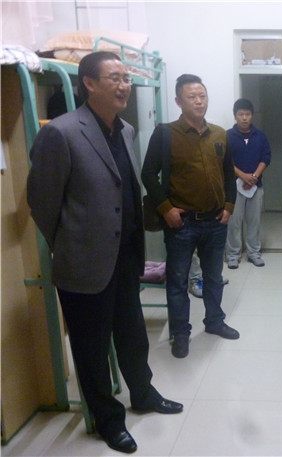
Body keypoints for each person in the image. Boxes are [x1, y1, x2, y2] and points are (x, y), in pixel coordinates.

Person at [27, 51, 183, 455]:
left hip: (125, 257)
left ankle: (143, 394)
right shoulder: (61, 133)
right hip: (83, 263)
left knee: (132, 336)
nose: (124, 85)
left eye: (127, 78)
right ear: (89, 84)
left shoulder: (125, 130)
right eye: (114, 77)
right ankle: (108, 421)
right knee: (91, 348)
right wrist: (70, 243)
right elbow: (41, 202)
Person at [142, 74, 239, 360]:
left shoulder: (220, 134)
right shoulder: (165, 134)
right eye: (192, 97)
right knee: (178, 281)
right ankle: (180, 334)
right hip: (181, 223)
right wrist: (166, 209)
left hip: (215, 221)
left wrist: (229, 206)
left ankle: (215, 321)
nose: (199, 101)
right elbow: (148, 174)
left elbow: (228, 173)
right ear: (178, 101)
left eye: (202, 96)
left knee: (214, 277)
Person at [225, 98, 271, 269]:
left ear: (252, 116)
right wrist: (243, 176)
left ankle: (253, 253)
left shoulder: (260, 136)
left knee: (254, 222)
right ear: (235, 116)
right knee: (233, 223)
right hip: (234, 186)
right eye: (240, 114)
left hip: (255, 186)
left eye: (247, 114)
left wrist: (254, 176)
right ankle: (233, 255)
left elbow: (266, 157)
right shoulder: (227, 136)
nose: (244, 118)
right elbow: (225, 161)